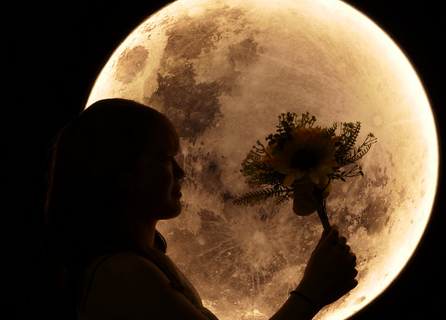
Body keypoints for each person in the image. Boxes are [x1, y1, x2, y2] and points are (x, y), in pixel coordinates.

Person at [44, 98, 358, 320]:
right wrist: (311, 293)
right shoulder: (123, 273)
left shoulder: (138, 264)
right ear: (123, 174)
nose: (181, 173)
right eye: (166, 159)